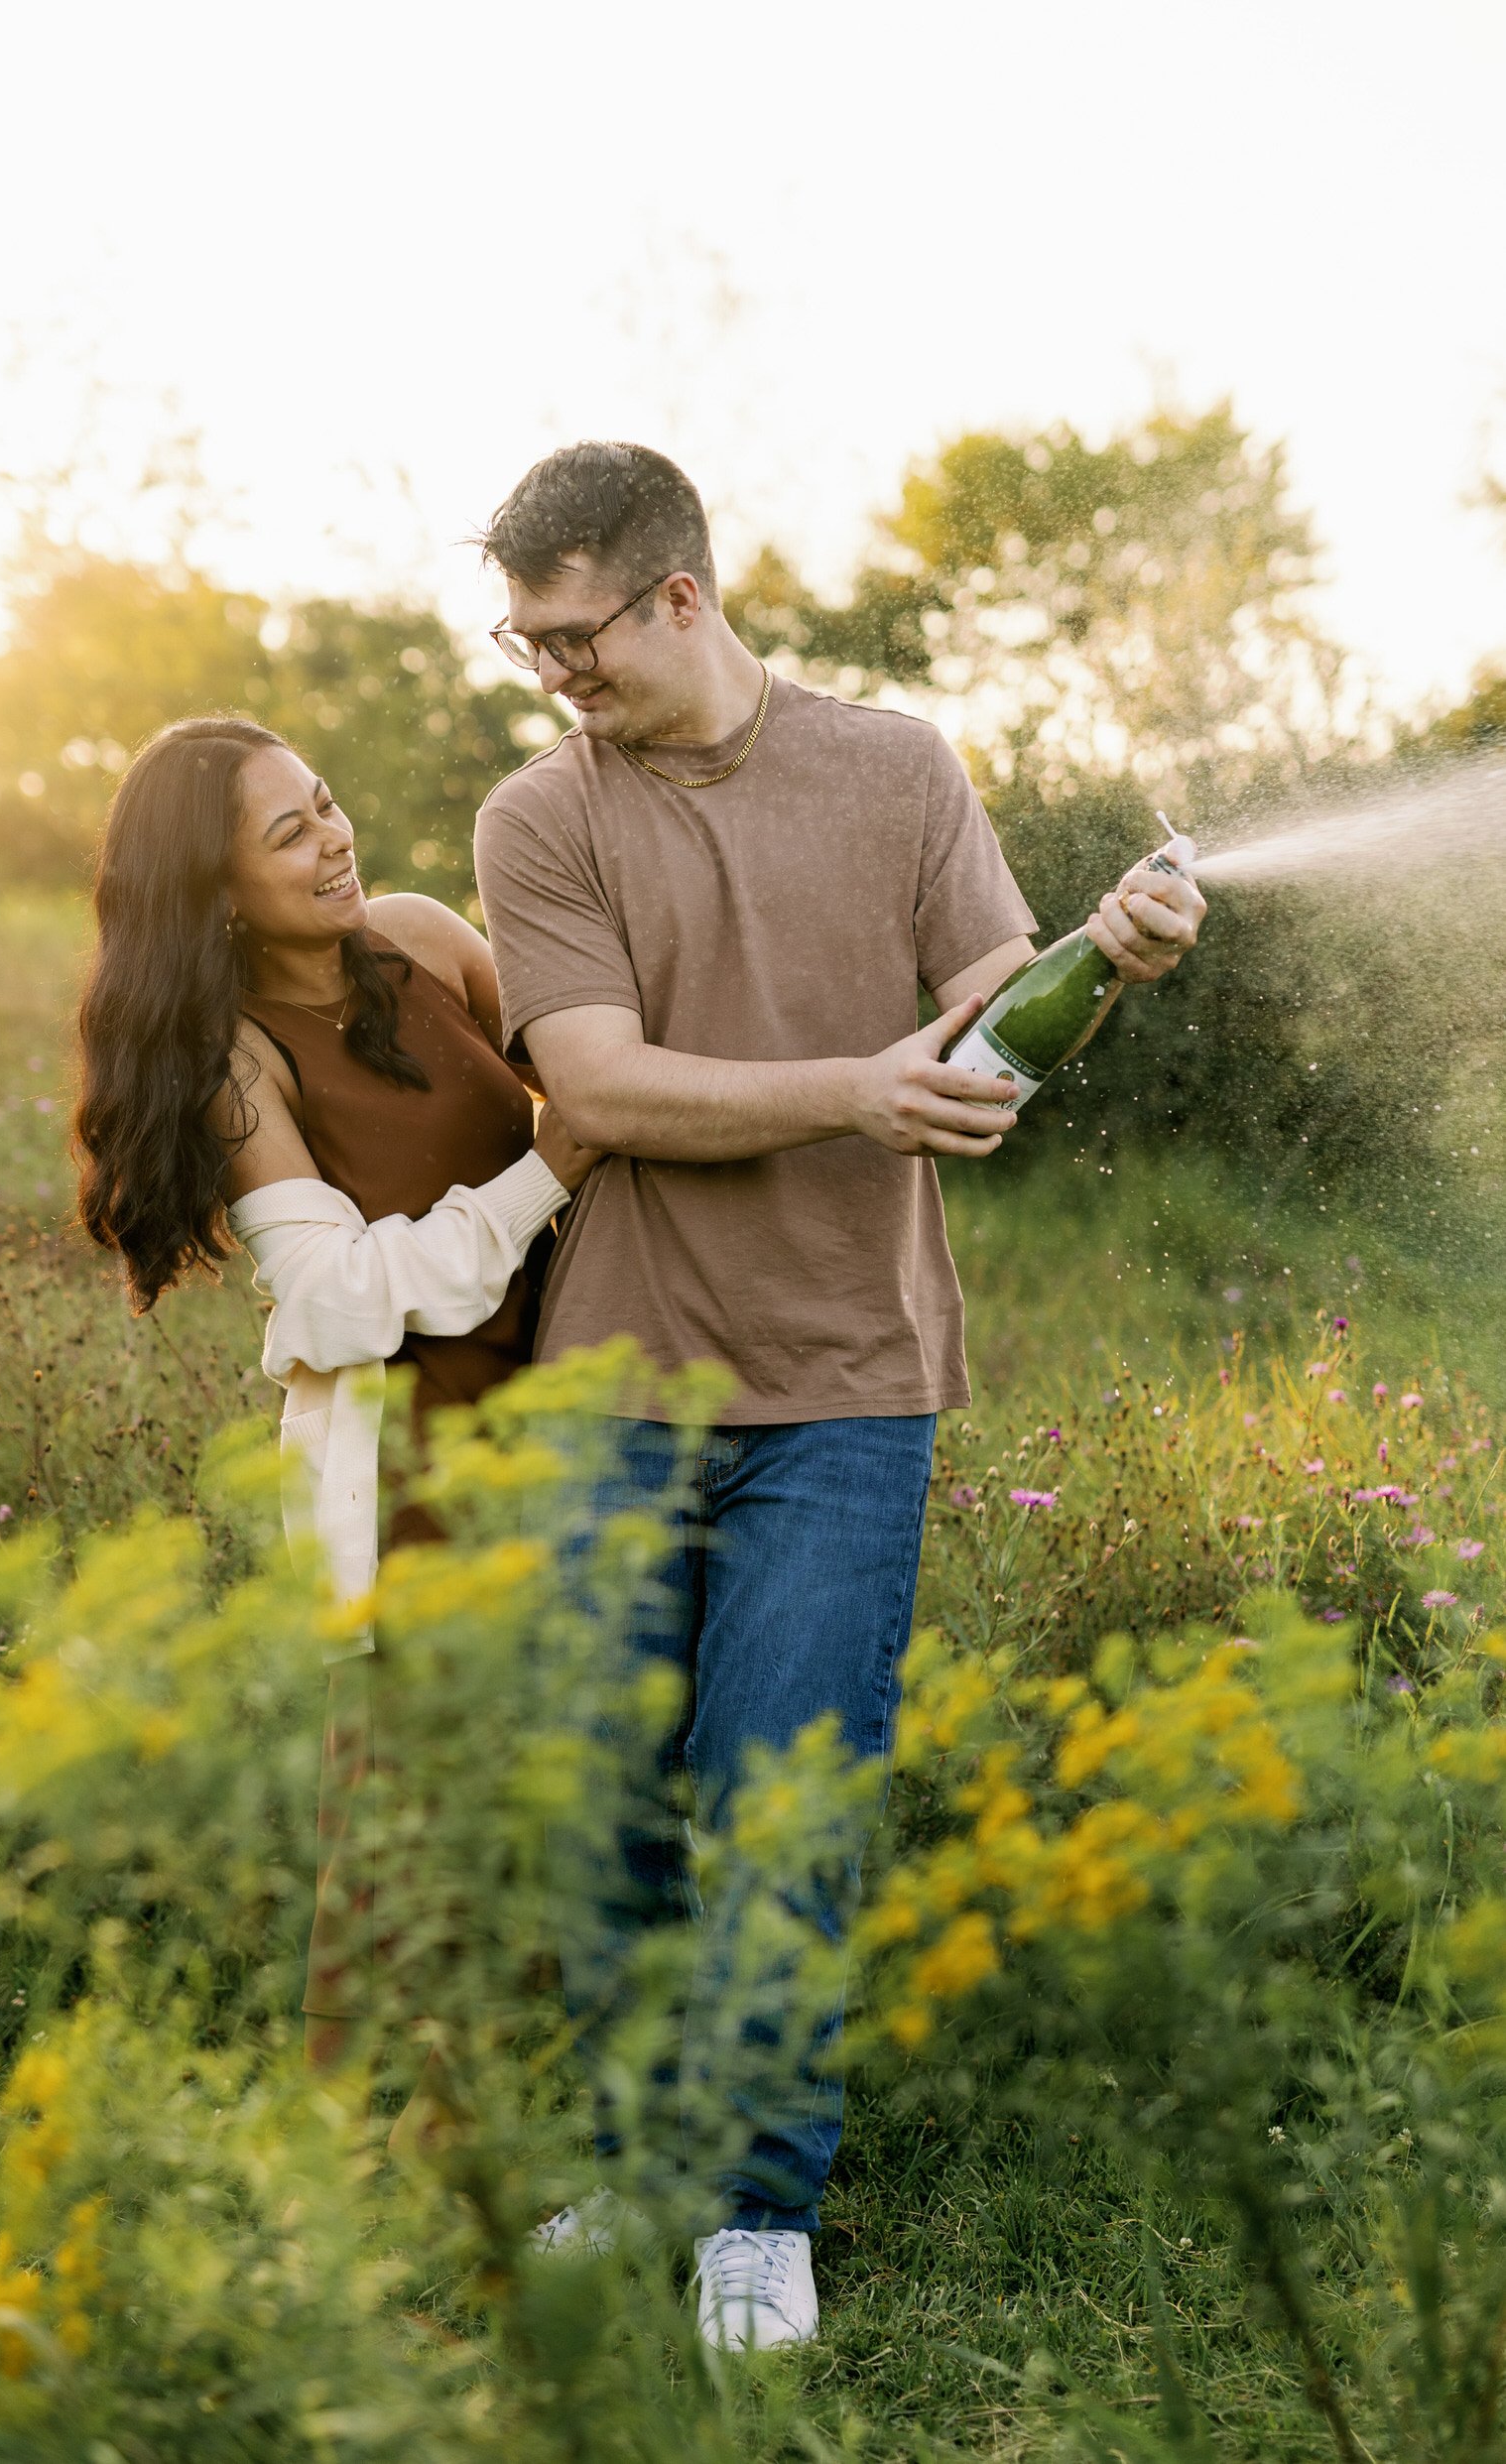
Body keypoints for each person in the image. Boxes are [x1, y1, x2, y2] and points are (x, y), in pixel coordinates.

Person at [472, 442, 1206, 2348]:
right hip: (618, 1388)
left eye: (575, 636)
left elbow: (992, 1036)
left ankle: (757, 2212)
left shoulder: (901, 773)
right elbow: (603, 1092)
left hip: (849, 1389)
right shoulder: (540, 817)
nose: (554, 674)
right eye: (525, 640)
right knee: (604, 1818)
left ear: (680, 597)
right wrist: (850, 1091)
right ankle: (637, 2162)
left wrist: (1102, 965)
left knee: (783, 1806)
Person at [73, 714, 596, 2072]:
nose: (333, 839)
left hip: (565, 1406)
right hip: (410, 1458)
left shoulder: (426, 937)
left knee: (576, 1766)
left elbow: (578, 1083)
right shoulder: (239, 1063)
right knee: (406, 1815)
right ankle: (361, 2150)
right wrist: (552, 1169)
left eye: (328, 802)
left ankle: (559, 2087)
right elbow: (336, 1302)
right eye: (287, 832)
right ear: (214, 891)